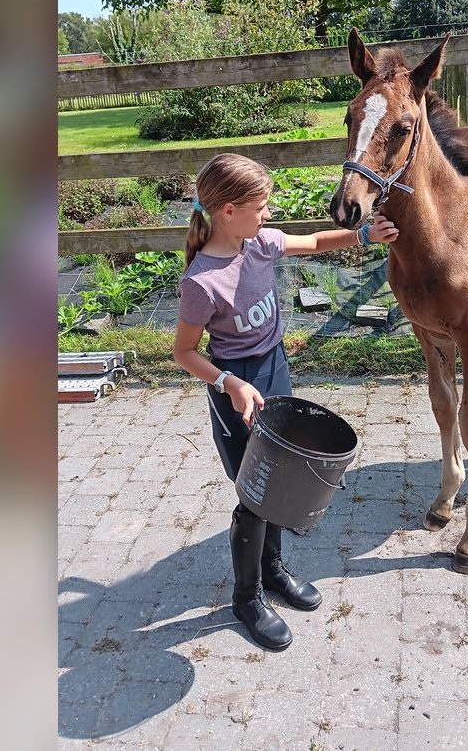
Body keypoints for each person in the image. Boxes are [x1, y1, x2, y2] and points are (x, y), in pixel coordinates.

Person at [172, 152, 398, 651]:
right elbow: (183, 353)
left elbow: (317, 240)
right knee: (255, 495)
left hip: (275, 369)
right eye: (261, 205)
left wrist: (364, 236)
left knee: (284, 478)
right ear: (228, 211)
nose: (269, 213)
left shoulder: (261, 244)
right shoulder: (201, 283)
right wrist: (228, 383)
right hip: (236, 390)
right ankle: (246, 597)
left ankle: (272, 569)